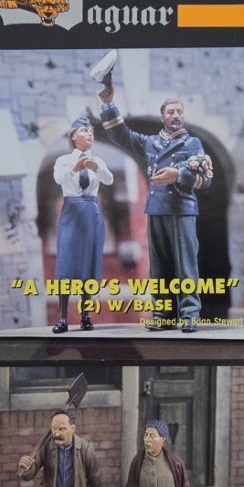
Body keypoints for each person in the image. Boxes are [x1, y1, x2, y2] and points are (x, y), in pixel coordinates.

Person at [98, 81, 213, 332]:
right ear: (163, 117)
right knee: (159, 268)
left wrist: (178, 175)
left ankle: (190, 314)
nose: (176, 115)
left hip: (182, 209)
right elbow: (122, 135)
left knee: (185, 265)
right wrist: (108, 105)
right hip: (157, 208)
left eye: (179, 111)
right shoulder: (150, 142)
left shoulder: (192, 143)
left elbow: (206, 179)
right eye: (171, 112)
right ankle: (163, 314)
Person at [50, 115, 114, 333]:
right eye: (85, 131)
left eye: (91, 132)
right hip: (72, 212)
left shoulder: (98, 160)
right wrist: (75, 168)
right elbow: (59, 179)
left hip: (91, 211)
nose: (90, 135)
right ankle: (62, 318)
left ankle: (85, 316)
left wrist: (98, 169)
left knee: (88, 264)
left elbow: (109, 180)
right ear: (73, 136)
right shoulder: (63, 160)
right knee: (66, 265)